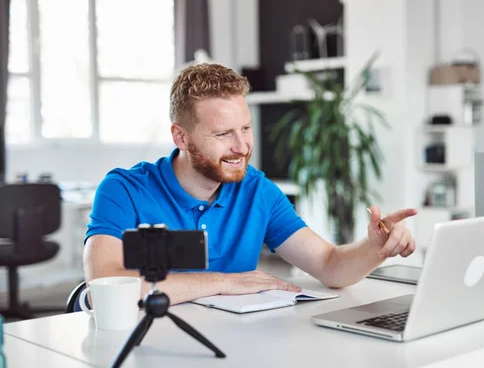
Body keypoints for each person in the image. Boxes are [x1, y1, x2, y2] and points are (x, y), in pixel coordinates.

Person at [83, 63, 417, 305]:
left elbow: (330, 265)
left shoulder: (257, 190)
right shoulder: (123, 190)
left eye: (245, 128)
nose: (241, 147)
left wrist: (373, 249)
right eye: (223, 133)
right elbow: (104, 287)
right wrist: (223, 283)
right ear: (180, 137)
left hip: (232, 350)